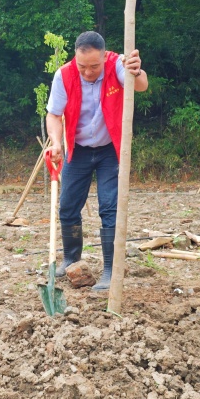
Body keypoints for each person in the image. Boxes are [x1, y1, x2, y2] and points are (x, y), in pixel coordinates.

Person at [45, 31, 148, 291]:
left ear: (104, 56)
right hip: (77, 149)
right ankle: (71, 258)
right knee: (67, 206)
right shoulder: (64, 75)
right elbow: (54, 115)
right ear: (75, 58)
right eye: (82, 66)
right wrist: (56, 142)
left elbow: (140, 85)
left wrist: (137, 70)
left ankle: (111, 270)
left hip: (109, 150)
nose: (88, 72)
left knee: (110, 208)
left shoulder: (117, 65)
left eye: (94, 66)